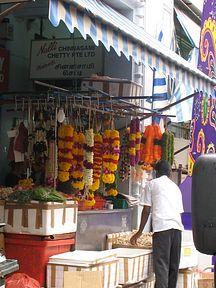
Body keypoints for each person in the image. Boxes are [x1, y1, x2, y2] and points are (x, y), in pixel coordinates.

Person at [130, 160, 184, 288]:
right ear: (170, 173)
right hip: (177, 229)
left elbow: (146, 210)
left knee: (162, 268)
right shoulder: (176, 188)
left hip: (162, 229)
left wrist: (139, 233)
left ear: (156, 172)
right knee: (173, 268)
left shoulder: (152, 184)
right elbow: (179, 212)